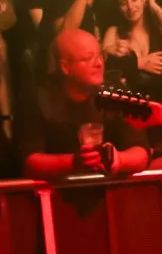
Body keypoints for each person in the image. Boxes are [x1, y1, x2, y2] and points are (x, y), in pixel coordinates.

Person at [21, 29, 148, 180]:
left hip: (113, 192)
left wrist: (119, 159)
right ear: (65, 67)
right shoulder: (40, 98)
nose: (99, 63)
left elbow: (142, 152)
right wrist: (74, 162)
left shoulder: (116, 93)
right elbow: (29, 162)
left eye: (100, 55)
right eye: (88, 58)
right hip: (57, 195)